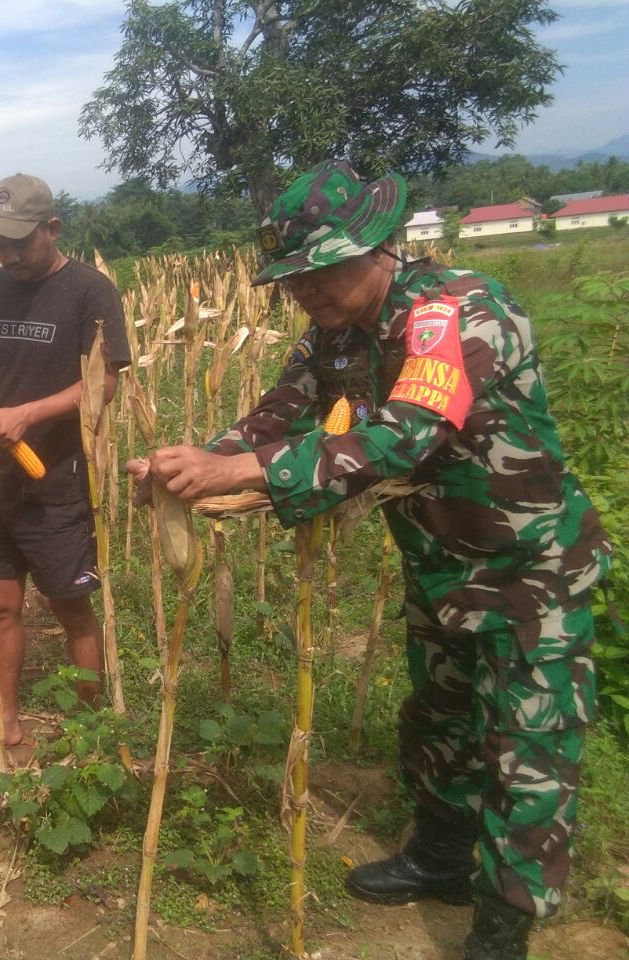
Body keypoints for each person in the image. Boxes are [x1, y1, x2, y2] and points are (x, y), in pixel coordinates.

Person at [129, 160, 611, 960]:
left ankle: (502, 928)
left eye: (324, 268)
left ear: (381, 245)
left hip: (528, 571)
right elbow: (276, 417)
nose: (308, 289)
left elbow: (403, 437)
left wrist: (244, 473)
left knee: (525, 751)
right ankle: (443, 858)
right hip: (442, 566)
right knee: (440, 721)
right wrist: (191, 463)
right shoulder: (337, 337)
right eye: (294, 277)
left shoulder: (455, 314)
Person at [0, 173, 131, 765]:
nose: (8, 256)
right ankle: (5, 720)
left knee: (70, 606)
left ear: (52, 228)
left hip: (58, 478)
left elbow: (103, 382)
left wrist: (28, 413)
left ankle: (86, 729)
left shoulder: (90, 291)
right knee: (1, 604)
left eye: (19, 243)